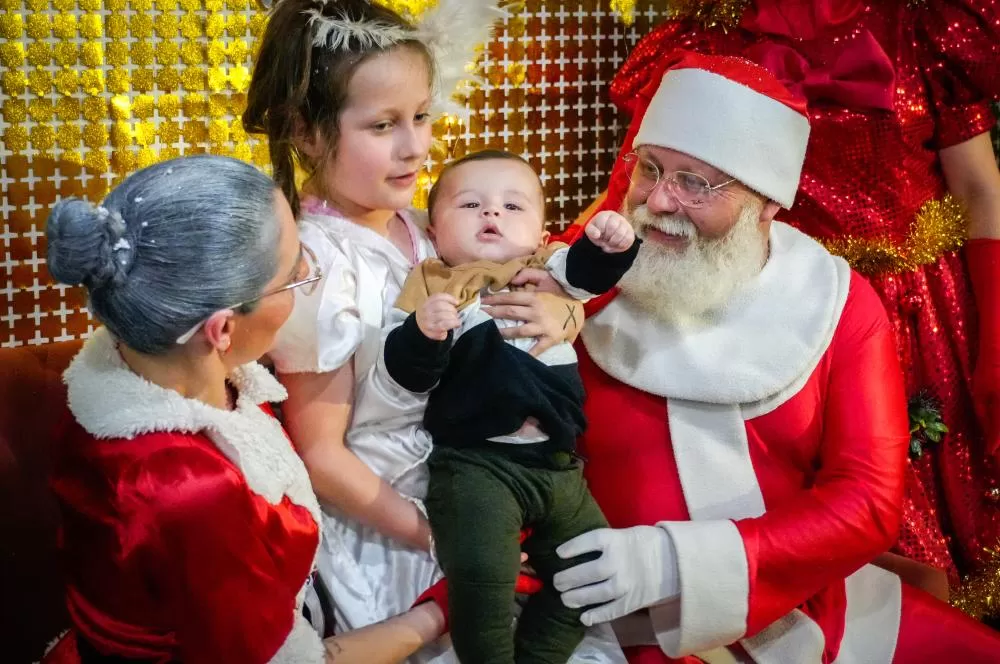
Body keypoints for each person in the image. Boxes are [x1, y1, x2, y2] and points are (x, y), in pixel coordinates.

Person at [548, 51, 1000, 663]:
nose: (658, 202)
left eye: (695, 183)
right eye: (650, 169)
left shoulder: (836, 302)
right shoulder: (573, 282)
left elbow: (867, 502)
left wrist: (675, 563)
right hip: (609, 627)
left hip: (808, 611)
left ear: (766, 203)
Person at [243, 2, 611, 661]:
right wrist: (435, 536)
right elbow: (321, 455)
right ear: (305, 132)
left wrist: (565, 313)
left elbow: (512, 290)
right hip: (396, 526)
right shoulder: (318, 269)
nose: (416, 146)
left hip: (485, 483)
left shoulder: (425, 225)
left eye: (421, 115)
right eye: (383, 125)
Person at [44, 155, 449, 664]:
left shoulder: (148, 362)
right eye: (296, 274)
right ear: (223, 329)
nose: (311, 274)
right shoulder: (188, 491)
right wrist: (436, 613)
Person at [378, 150, 637, 662]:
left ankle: (541, 655)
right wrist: (422, 333)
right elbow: (406, 373)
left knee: (596, 571)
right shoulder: (432, 282)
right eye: (470, 204)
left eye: (513, 206)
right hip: (479, 464)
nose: (492, 213)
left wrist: (609, 243)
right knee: (483, 575)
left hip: (560, 464)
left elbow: (588, 272)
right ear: (434, 232)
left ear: (542, 234)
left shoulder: (547, 270)